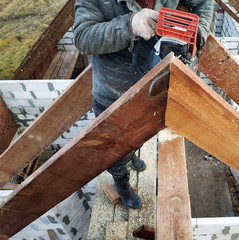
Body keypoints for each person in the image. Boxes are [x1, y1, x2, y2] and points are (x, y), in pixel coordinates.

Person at [73, 0, 213, 209]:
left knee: (139, 135)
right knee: (115, 148)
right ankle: (122, 183)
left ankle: (132, 156)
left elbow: (204, 2)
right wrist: (129, 25)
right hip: (114, 93)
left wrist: (198, 31)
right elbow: (83, 37)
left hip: (153, 87)